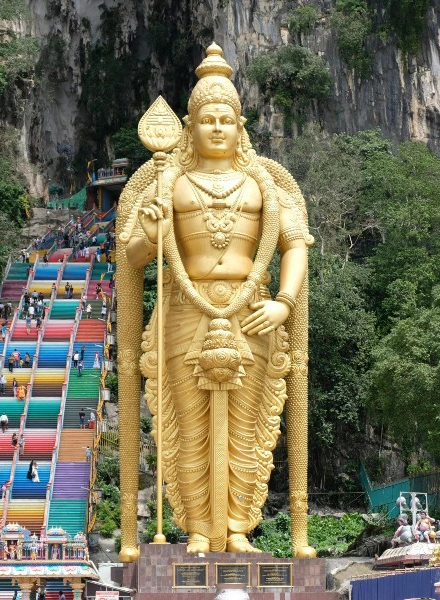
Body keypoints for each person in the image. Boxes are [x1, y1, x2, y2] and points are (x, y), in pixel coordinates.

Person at [119, 44, 314, 555]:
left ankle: (237, 528)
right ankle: (199, 529)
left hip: (255, 312)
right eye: (208, 119)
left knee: (248, 430)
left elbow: (295, 247)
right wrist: (150, 228)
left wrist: (284, 303)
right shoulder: (171, 181)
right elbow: (134, 257)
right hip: (186, 309)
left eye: (227, 119)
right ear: (190, 125)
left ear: (241, 125)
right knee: (189, 428)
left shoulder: (265, 184)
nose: (218, 128)